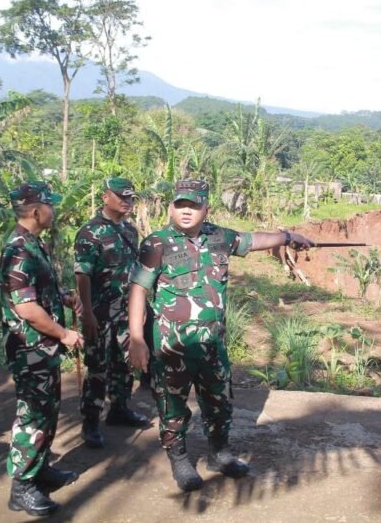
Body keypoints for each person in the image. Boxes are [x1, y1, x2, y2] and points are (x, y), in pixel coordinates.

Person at [127, 179, 313, 492]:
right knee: (171, 406)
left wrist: (287, 236)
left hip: (212, 344)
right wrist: (136, 338)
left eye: (194, 205)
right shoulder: (157, 243)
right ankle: (180, 458)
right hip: (172, 347)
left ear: (206, 208)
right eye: (180, 204)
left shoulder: (219, 237)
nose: (186, 211)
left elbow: (253, 240)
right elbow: (138, 289)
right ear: (171, 207)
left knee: (218, 403)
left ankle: (219, 452)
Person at [0, 182, 83, 517]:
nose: (54, 210)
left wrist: (63, 297)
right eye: (50, 205)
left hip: (42, 350)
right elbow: (27, 309)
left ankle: (39, 469)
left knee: (47, 411)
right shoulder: (19, 248)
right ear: (36, 210)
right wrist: (64, 334)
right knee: (32, 415)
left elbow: (38, 291)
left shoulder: (34, 243)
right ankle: (21, 487)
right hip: (30, 349)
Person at [74, 177, 149, 449]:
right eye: (122, 197)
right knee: (97, 369)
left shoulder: (130, 231)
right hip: (100, 313)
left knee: (125, 363)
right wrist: (87, 314)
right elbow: (82, 274)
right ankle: (90, 422)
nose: (127, 202)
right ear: (106, 197)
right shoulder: (90, 232)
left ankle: (119, 409)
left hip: (125, 311)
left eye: (130, 198)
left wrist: (138, 310)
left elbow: (136, 272)